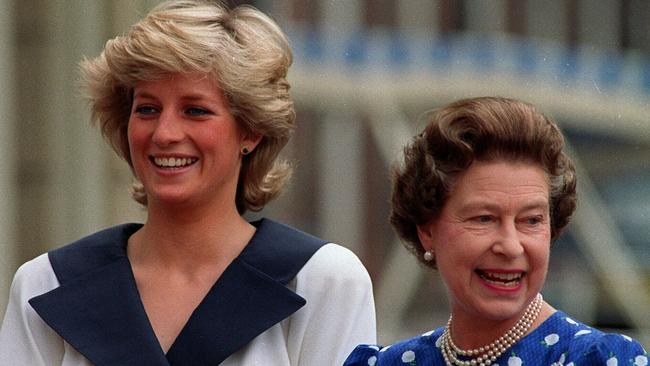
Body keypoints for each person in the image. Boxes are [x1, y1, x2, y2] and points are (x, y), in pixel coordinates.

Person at [0, 1, 376, 365]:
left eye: (195, 110)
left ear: (251, 131)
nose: (164, 133)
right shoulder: (45, 284)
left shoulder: (322, 282)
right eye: (147, 109)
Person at [344, 97, 647, 365]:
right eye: (484, 219)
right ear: (426, 230)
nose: (511, 246)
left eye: (531, 221)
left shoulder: (597, 359)